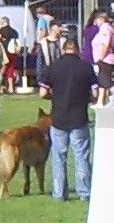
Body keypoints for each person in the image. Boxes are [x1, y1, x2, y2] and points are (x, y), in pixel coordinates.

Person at [40, 39, 97, 202]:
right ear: (78, 50)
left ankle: (59, 193)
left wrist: (54, 96)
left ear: (63, 50)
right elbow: (94, 94)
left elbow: (43, 93)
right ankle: (84, 193)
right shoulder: (86, 67)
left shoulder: (53, 67)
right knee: (81, 157)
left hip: (58, 118)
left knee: (59, 157)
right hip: (79, 118)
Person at [90, 11, 114, 107]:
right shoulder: (104, 29)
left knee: (105, 82)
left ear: (101, 19)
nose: (96, 22)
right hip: (104, 59)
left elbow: (105, 44)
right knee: (102, 81)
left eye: (97, 19)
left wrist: (100, 57)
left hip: (105, 59)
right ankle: (100, 102)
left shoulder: (105, 29)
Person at [0, 16, 20, 94]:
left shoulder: (2, 30)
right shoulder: (14, 31)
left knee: (2, 70)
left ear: (4, 22)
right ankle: (11, 88)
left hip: (5, 52)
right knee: (11, 69)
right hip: (13, 53)